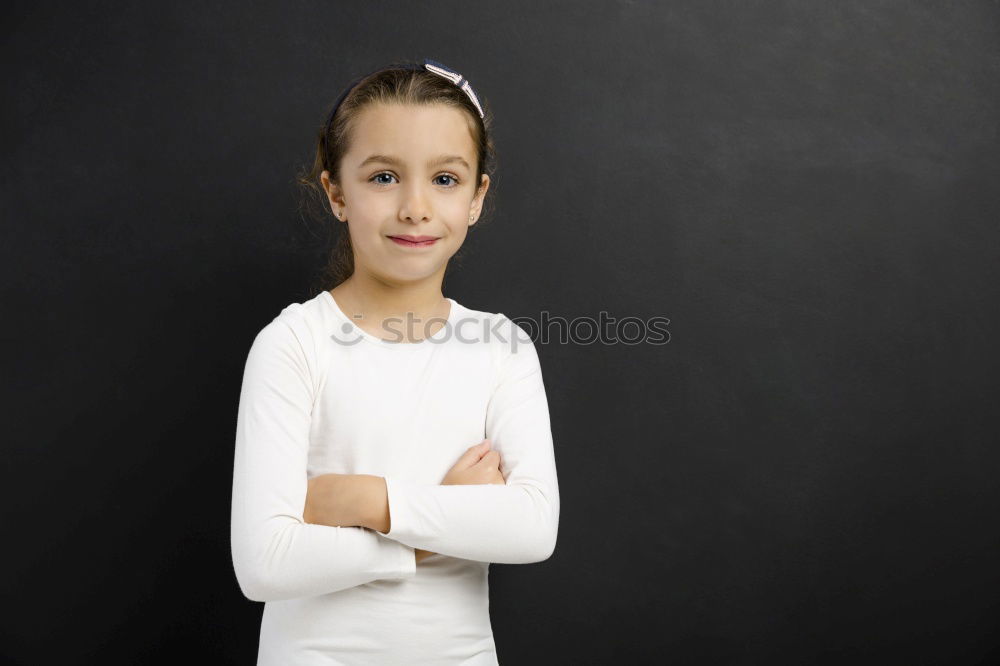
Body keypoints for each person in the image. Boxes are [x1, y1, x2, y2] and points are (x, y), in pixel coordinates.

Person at [230, 58, 560, 665]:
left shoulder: (500, 346)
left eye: (445, 179)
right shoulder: (295, 343)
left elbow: (532, 527)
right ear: (336, 192)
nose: (415, 207)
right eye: (383, 178)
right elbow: (265, 564)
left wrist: (369, 501)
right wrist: (437, 525)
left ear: (477, 196)